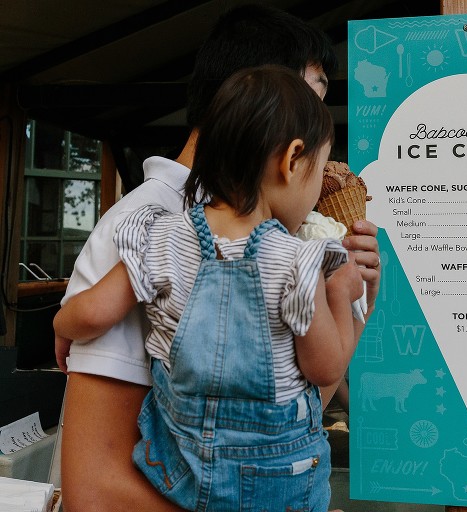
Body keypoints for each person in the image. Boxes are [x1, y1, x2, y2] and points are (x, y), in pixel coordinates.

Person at [54, 6, 381, 511]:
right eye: (312, 108)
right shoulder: (141, 222)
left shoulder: (163, 238)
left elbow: (305, 396)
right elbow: (93, 491)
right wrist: (343, 305)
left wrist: (356, 298)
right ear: (281, 146)